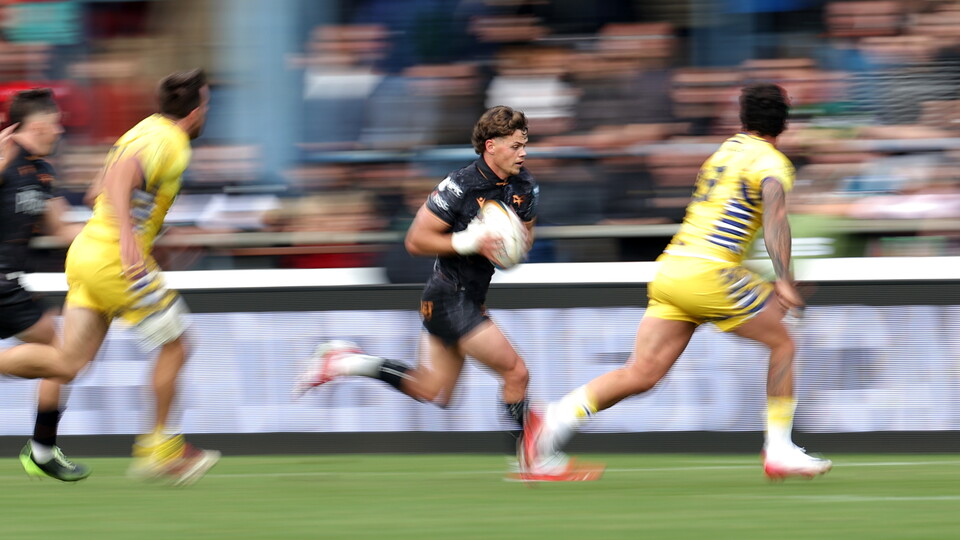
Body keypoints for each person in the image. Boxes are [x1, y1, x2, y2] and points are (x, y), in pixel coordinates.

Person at [523, 83, 833, 481]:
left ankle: (551, 421)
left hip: (672, 269)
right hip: (710, 271)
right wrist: (784, 279)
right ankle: (779, 449)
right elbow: (774, 213)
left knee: (642, 373)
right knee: (783, 341)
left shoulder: (725, 152)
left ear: (743, 118)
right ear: (784, 122)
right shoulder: (772, 162)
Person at [297, 105, 549, 473]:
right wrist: (470, 242)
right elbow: (415, 241)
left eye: (525, 144)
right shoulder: (461, 185)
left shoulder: (524, 186)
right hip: (450, 297)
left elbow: (524, 239)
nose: (523, 153)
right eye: (515, 146)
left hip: (467, 298)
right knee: (516, 373)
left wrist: (513, 247)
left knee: (433, 391)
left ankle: (347, 361)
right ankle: (533, 460)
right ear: (490, 146)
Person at [0, 69, 220, 486]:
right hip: (117, 261)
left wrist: (150, 227)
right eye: (207, 104)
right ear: (194, 112)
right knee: (176, 345)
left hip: (87, 254)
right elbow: (120, 179)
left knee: (67, 363)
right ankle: (161, 449)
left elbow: (97, 189)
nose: (207, 111)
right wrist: (131, 239)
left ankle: (46, 447)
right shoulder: (171, 143)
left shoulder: (144, 129)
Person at [0, 89, 89, 481]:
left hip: (9, 285)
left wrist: (120, 233)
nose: (61, 129)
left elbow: (62, 228)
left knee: (60, 356)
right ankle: (41, 449)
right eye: (56, 122)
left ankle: (41, 448)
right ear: (38, 125)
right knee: (61, 357)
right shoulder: (4, 156)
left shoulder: (42, 172)